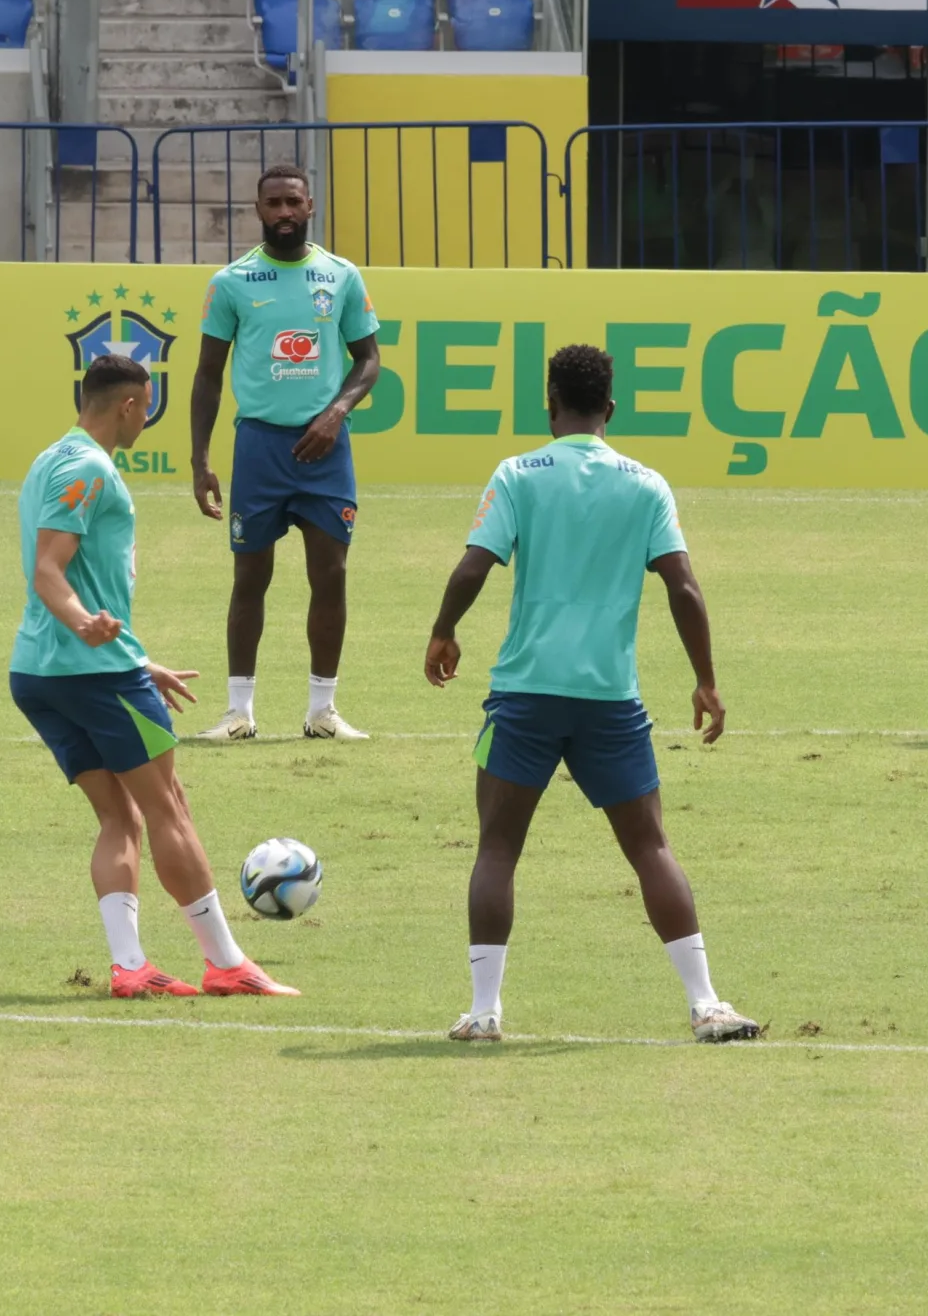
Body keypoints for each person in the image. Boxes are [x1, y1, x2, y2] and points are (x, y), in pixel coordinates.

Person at [425, 344, 759, 1045]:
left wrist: (444, 631)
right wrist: (705, 679)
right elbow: (684, 587)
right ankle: (706, 1004)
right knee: (650, 847)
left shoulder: (517, 474)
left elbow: (473, 564)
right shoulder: (645, 485)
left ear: (550, 408)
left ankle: (484, 1012)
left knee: (498, 849)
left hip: (524, 696)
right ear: (611, 409)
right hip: (610, 700)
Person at [14, 353, 297, 998]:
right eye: (147, 407)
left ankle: (130, 966)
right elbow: (49, 571)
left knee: (120, 818)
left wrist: (137, 657)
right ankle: (227, 964)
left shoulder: (49, 459)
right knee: (167, 807)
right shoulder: (89, 467)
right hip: (94, 670)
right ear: (130, 405)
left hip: (40, 670)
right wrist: (89, 626)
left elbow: (61, 573)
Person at [187, 163, 384, 743]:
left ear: (311, 205)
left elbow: (368, 360)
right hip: (259, 448)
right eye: (273, 203)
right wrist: (200, 460)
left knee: (331, 574)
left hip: (325, 448)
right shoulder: (232, 282)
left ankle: (322, 710)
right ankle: (238, 712)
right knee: (251, 576)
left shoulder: (341, 276)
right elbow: (206, 376)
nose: (283, 213)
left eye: (293, 202)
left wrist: (335, 414)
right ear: (258, 210)